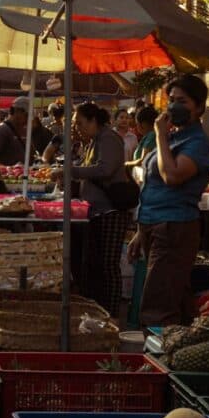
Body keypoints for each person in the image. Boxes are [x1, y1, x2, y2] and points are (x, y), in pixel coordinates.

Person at [127, 75, 209, 326]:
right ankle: (176, 353)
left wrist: (160, 137)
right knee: (173, 298)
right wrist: (139, 231)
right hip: (153, 224)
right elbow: (153, 183)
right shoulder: (174, 137)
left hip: (175, 228)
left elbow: (172, 175)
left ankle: (156, 359)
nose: (175, 106)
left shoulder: (197, 143)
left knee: (158, 306)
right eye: (172, 100)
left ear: (199, 107)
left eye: (183, 101)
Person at [71, 103, 133, 315]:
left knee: (108, 265)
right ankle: (100, 310)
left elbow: (105, 169)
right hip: (95, 211)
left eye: (80, 123)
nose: (77, 127)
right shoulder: (93, 141)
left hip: (111, 212)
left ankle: (113, 313)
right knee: (97, 264)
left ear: (93, 120)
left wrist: (73, 171)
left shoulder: (108, 138)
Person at [0, 97, 31, 165]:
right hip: (8, 174)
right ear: (16, 111)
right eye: (26, 115)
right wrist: (3, 169)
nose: (28, 119)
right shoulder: (2, 130)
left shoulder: (25, 130)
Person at [126, 105, 158, 170]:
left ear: (143, 124)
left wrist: (126, 164)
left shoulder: (151, 136)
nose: (136, 126)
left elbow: (143, 160)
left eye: (137, 123)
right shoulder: (148, 136)